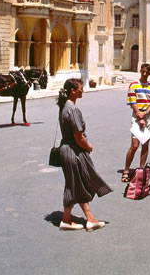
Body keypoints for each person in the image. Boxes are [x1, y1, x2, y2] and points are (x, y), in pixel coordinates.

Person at [57, 78, 112, 231]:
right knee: (76, 182)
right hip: (73, 150)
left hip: (67, 149)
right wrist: (89, 147)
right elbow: (78, 136)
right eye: (80, 88)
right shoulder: (73, 110)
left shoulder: (65, 106)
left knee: (76, 183)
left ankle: (86, 219)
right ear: (73, 91)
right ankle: (70, 220)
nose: (82, 90)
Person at [122, 63, 150, 182]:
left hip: (148, 116)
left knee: (145, 145)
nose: (144, 74)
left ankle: (141, 170)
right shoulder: (133, 85)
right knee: (134, 145)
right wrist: (140, 116)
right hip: (137, 116)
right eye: (142, 71)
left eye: (147, 72)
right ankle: (126, 170)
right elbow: (132, 102)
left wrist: (145, 114)